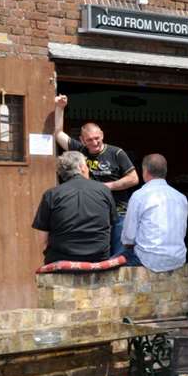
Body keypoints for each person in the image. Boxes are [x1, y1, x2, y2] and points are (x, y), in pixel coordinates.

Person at [52, 95, 139, 258]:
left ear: (102, 135)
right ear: (82, 140)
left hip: (119, 212)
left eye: (97, 138)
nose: (94, 143)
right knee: (99, 253)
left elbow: (134, 178)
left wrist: (107, 186)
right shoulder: (80, 150)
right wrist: (60, 108)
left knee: (120, 253)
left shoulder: (116, 152)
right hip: (93, 213)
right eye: (89, 140)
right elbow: (57, 133)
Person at [32, 151, 115, 264]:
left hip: (61, 257)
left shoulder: (51, 194)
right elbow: (112, 224)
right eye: (86, 165)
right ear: (81, 168)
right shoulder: (103, 190)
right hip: (98, 257)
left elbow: (43, 238)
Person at [121, 153, 188, 272]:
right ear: (165, 171)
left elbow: (128, 237)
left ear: (145, 171)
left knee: (110, 263)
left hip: (148, 259)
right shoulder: (181, 197)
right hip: (177, 258)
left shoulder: (139, 196)